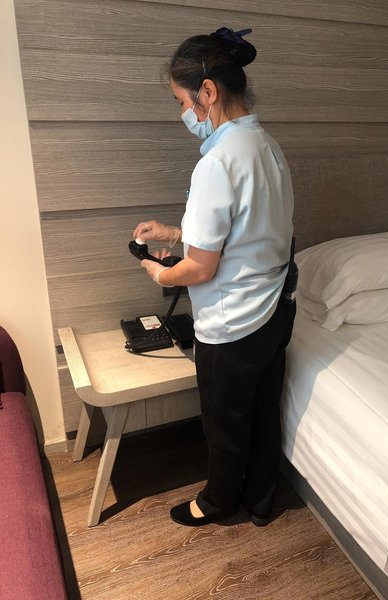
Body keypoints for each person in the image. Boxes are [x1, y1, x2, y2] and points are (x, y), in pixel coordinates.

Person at [133, 27, 295, 527]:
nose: (183, 114)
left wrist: (160, 273)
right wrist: (175, 232)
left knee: (225, 422)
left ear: (208, 91)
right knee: (263, 413)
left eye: (182, 102)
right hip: (275, 309)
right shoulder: (268, 147)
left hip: (233, 323)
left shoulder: (217, 162)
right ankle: (262, 499)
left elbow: (202, 267)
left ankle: (219, 502)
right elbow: (246, 230)